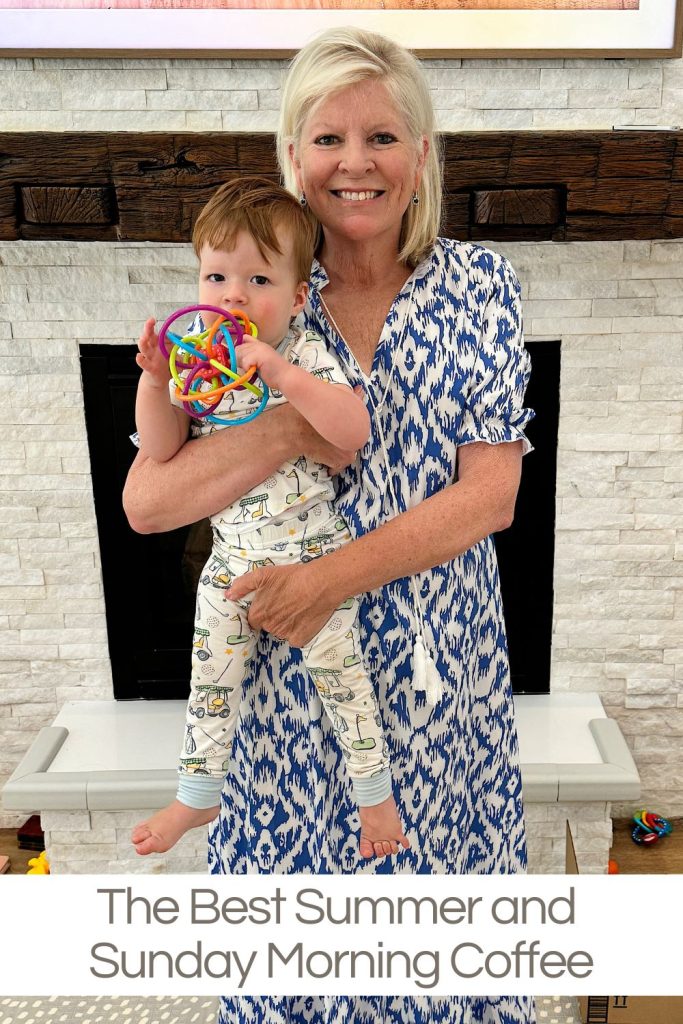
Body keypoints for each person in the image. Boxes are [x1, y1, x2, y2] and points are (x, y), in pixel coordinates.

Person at [123, 25, 536, 1024]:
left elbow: (491, 494)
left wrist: (329, 577)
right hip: (277, 676)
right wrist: (275, 429)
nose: (354, 162)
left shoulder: (476, 285)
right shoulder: (243, 309)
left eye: (382, 136)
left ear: (421, 155)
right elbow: (147, 503)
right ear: (291, 155)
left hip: (438, 675)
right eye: (327, 139)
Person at [130, 177, 409, 861]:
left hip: (311, 556)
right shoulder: (200, 361)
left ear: (296, 298)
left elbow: (352, 431)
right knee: (210, 685)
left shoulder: (305, 354)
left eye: (256, 278)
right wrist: (153, 379)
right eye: (216, 275)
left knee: (344, 682)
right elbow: (161, 449)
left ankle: (375, 800)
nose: (232, 295)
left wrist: (281, 374)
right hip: (230, 561)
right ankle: (197, 796)